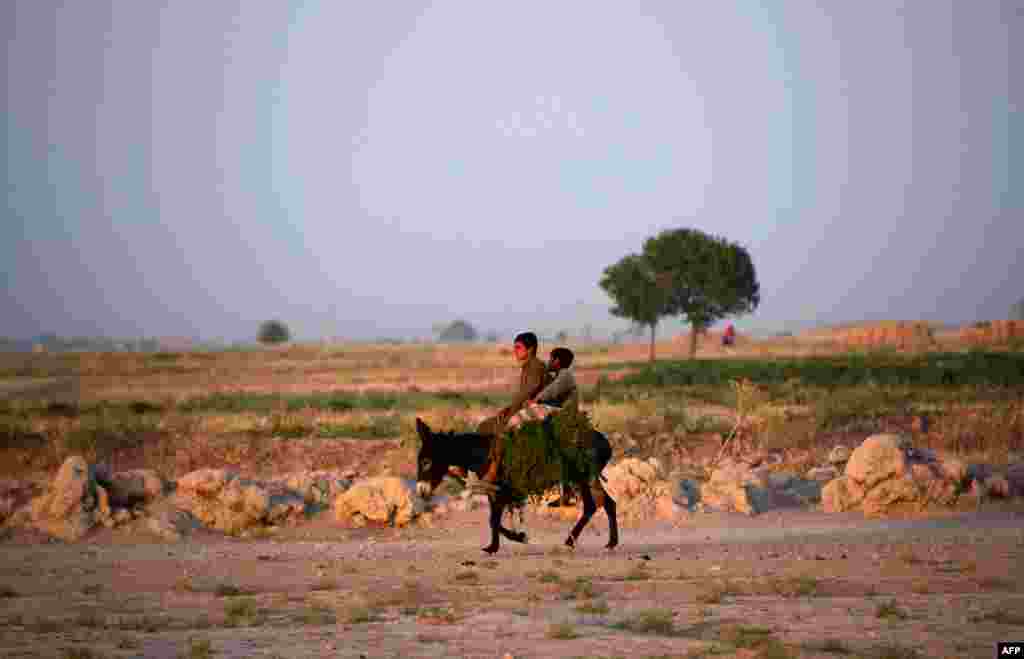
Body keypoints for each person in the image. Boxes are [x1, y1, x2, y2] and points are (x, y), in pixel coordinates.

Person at [478, 332, 547, 485]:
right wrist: (509, 408)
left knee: (503, 428)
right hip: (524, 409)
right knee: (485, 426)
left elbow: (528, 393)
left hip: (537, 411)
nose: (515, 351)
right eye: (514, 347)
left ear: (530, 349)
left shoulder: (536, 366)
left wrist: (510, 411)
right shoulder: (527, 366)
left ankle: (493, 471)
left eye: (518, 347)